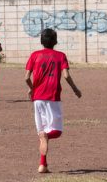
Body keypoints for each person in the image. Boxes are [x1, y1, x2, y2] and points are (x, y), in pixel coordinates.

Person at [25, 28, 82, 173]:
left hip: (37, 98)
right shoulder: (60, 56)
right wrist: (75, 89)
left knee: (42, 132)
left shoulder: (34, 55)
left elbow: (26, 77)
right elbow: (66, 76)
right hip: (52, 97)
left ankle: (42, 165)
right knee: (56, 131)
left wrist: (32, 88)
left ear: (41, 41)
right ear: (55, 41)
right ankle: (46, 138)